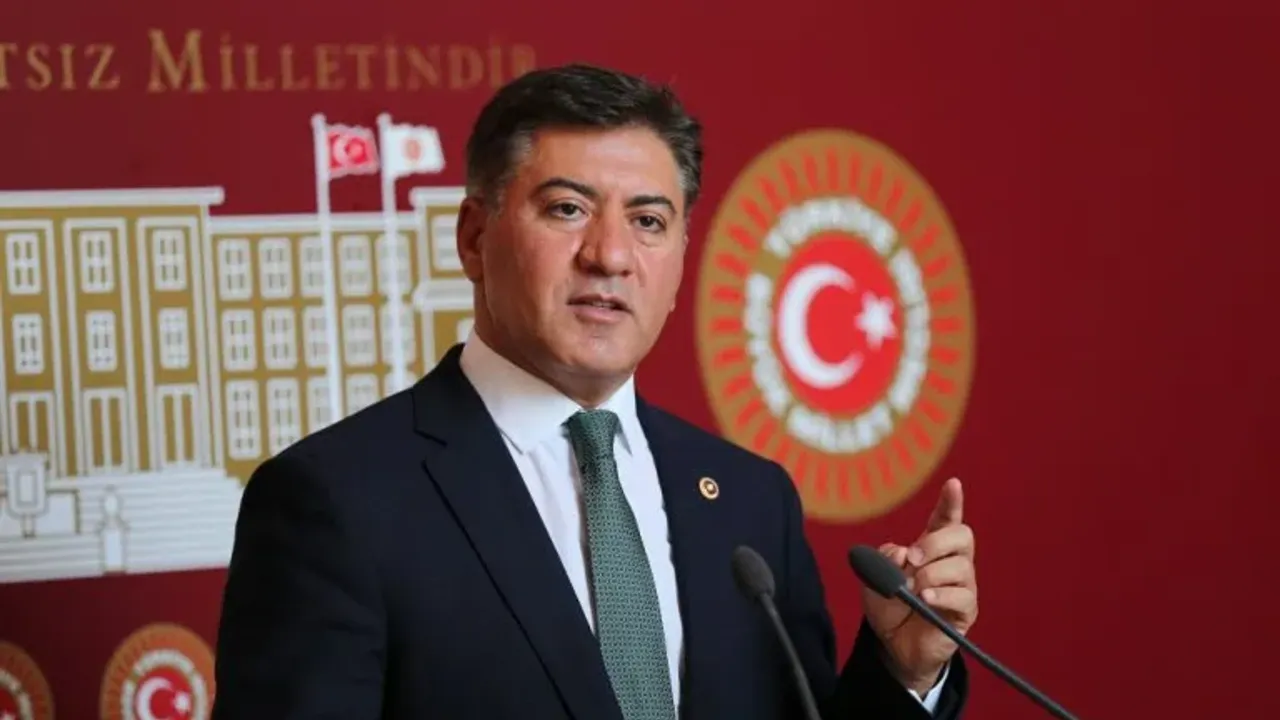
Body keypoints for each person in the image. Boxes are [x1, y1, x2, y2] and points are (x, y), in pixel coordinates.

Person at [211, 63, 978, 719]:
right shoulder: (337, 504)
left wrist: (904, 672)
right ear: (474, 238)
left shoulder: (751, 503)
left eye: (648, 220)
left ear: (680, 258)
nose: (610, 255)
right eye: (567, 209)